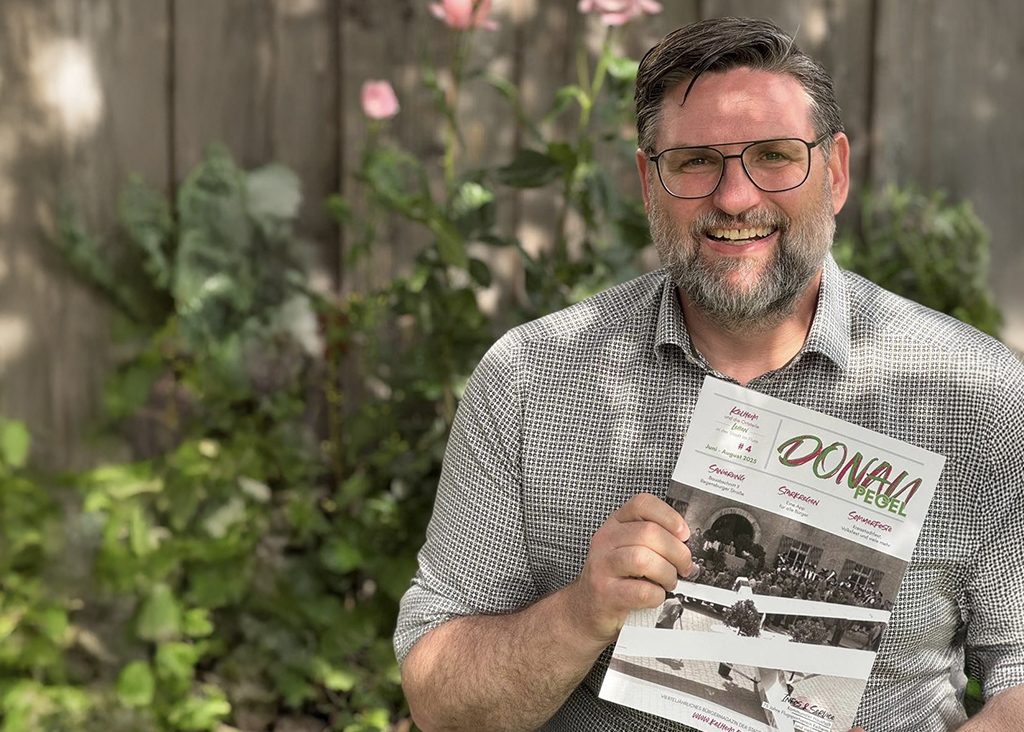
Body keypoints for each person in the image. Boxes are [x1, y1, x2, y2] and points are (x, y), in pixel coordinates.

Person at [394, 16, 1024, 732]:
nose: (734, 198)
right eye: (695, 161)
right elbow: (438, 702)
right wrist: (580, 613)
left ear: (836, 172)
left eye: (775, 156)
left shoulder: (975, 393)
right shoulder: (530, 380)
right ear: (647, 182)